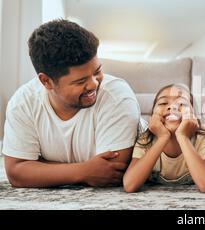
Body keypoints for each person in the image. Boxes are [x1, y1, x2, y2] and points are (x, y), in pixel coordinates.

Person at [2, 19, 140, 188]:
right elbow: (17, 173)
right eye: (80, 81)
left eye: (97, 71)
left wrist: (39, 165)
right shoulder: (23, 103)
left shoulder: (117, 96)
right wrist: (83, 171)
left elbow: (110, 173)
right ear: (46, 81)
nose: (94, 84)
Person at [123, 84, 205, 193]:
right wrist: (163, 138)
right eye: (163, 103)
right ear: (152, 115)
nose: (172, 107)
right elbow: (129, 185)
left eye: (181, 103)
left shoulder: (202, 140)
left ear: (193, 115)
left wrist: (183, 136)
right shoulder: (145, 140)